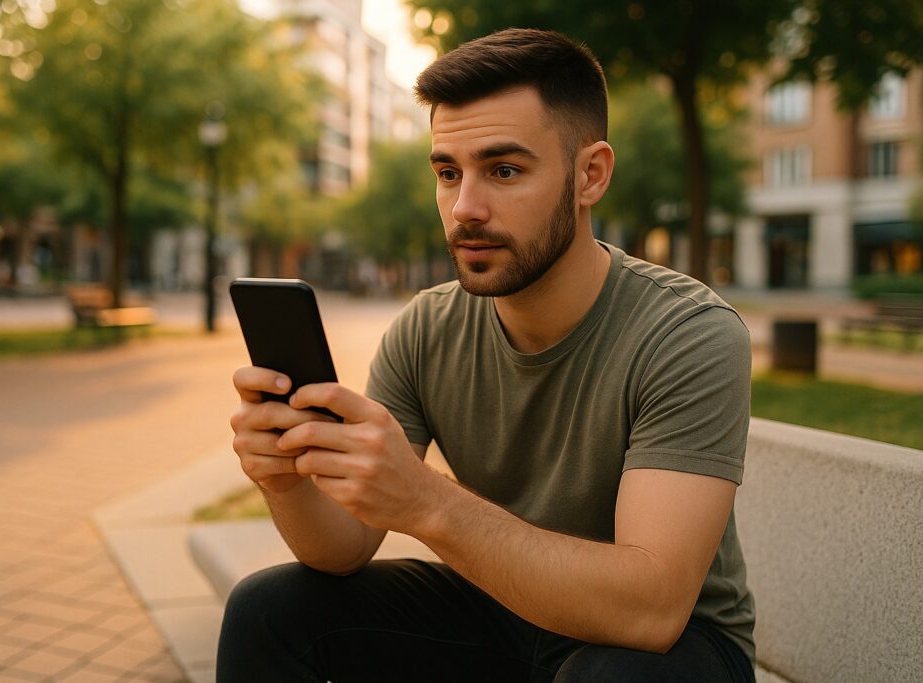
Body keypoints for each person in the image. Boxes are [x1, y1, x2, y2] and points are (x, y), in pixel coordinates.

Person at [219, 28, 755, 683]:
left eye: (503, 170)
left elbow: (651, 609)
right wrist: (287, 481)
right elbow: (344, 548)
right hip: (505, 607)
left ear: (590, 175)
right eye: (448, 173)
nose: (464, 208)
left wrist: (429, 502)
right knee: (269, 610)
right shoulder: (427, 327)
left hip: (670, 650)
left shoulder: (687, 333)